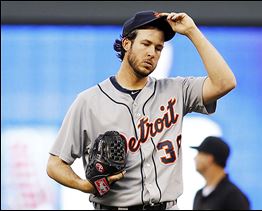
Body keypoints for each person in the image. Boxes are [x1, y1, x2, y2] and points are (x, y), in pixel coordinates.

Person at [46, 10, 236, 210]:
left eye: (158, 48)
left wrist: (191, 31)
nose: (152, 53)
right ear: (127, 44)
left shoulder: (176, 90)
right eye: (146, 44)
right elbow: (55, 164)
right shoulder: (89, 101)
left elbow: (225, 82)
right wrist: (83, 185)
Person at [191, 136, 250, 210]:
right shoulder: (199, 195)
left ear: (209, 158)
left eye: (200, 153)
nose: (195, 158)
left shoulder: (234, 197)